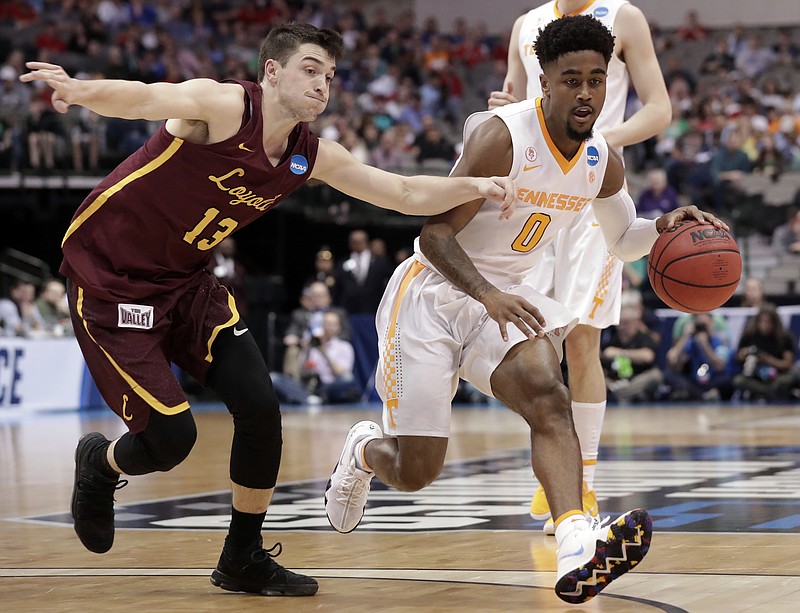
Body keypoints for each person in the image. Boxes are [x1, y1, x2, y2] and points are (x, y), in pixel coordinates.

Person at [19, 23, 517, 599]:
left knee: (260, 408)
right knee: (170, 438)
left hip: (188, 285)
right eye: (310, 69)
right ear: (272, 71)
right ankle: (102, 465)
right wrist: (78, 90)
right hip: (112, 281)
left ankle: (242, 557)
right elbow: (147, 96)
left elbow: (402, 192)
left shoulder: (311, 155)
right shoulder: (224, 107)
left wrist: (478, 185)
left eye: (330, 76)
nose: (322, 85)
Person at [324, 16, 724, 604]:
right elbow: (435, 238)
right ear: (545, 80)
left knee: (549, 396)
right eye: (572, 80)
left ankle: (575, 544)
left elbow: (622, 239)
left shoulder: (603, 160)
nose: (586, 93)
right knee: (416, 472)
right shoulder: (501, 137)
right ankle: (363, 450)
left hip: (506, 298)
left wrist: (662, 226)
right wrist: (486, 294)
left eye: (596, 80)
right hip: (433, 297)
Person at [487, 0, 671, 534]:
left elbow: (658, 109)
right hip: (528, 197)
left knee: (582, 338)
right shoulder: (526, 24)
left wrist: (596, 145)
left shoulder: (625, 17)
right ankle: (555, 473)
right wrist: (504, 106)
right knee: (534, 339)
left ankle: (580, 483)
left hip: (592, 195)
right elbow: (513, 96)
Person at [733, 305, 798, 401]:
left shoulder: (784, 338)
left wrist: (767, 359)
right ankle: (766, 392)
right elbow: (738, 356)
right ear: (757, 321)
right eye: (762, 321)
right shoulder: (749, 335)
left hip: (777, 376)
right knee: (738, 381)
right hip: (755, 376)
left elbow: (787, 364)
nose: (765, 325)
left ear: (775, 323)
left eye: (768, 322)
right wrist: (747, 354)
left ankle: (768, 392)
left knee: (790, 378)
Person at [664, 312, 735, 401]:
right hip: (694, 381)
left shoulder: (719, 340)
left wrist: (705, 345)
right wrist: (684, 337)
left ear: (712, 323)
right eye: (699, 326)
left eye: (704, 326)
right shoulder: (691, 342)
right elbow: (672, 360)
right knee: (670, 375)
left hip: (713, 379)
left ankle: (703, 395)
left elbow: (720, 366)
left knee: (728, 379)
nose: (702, 330)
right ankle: (702, 395)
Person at [601, 304, 663, 403]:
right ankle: (622, 392)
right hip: (615, 379)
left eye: (626, 323)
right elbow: (605, 353)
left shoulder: (643, 337)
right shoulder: (613, 337)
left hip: (637, 379)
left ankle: (621, 393)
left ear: (636, 323)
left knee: (655, 376)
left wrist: (621, 353)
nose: (622, 327)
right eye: (619, 323)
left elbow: (648, 356)